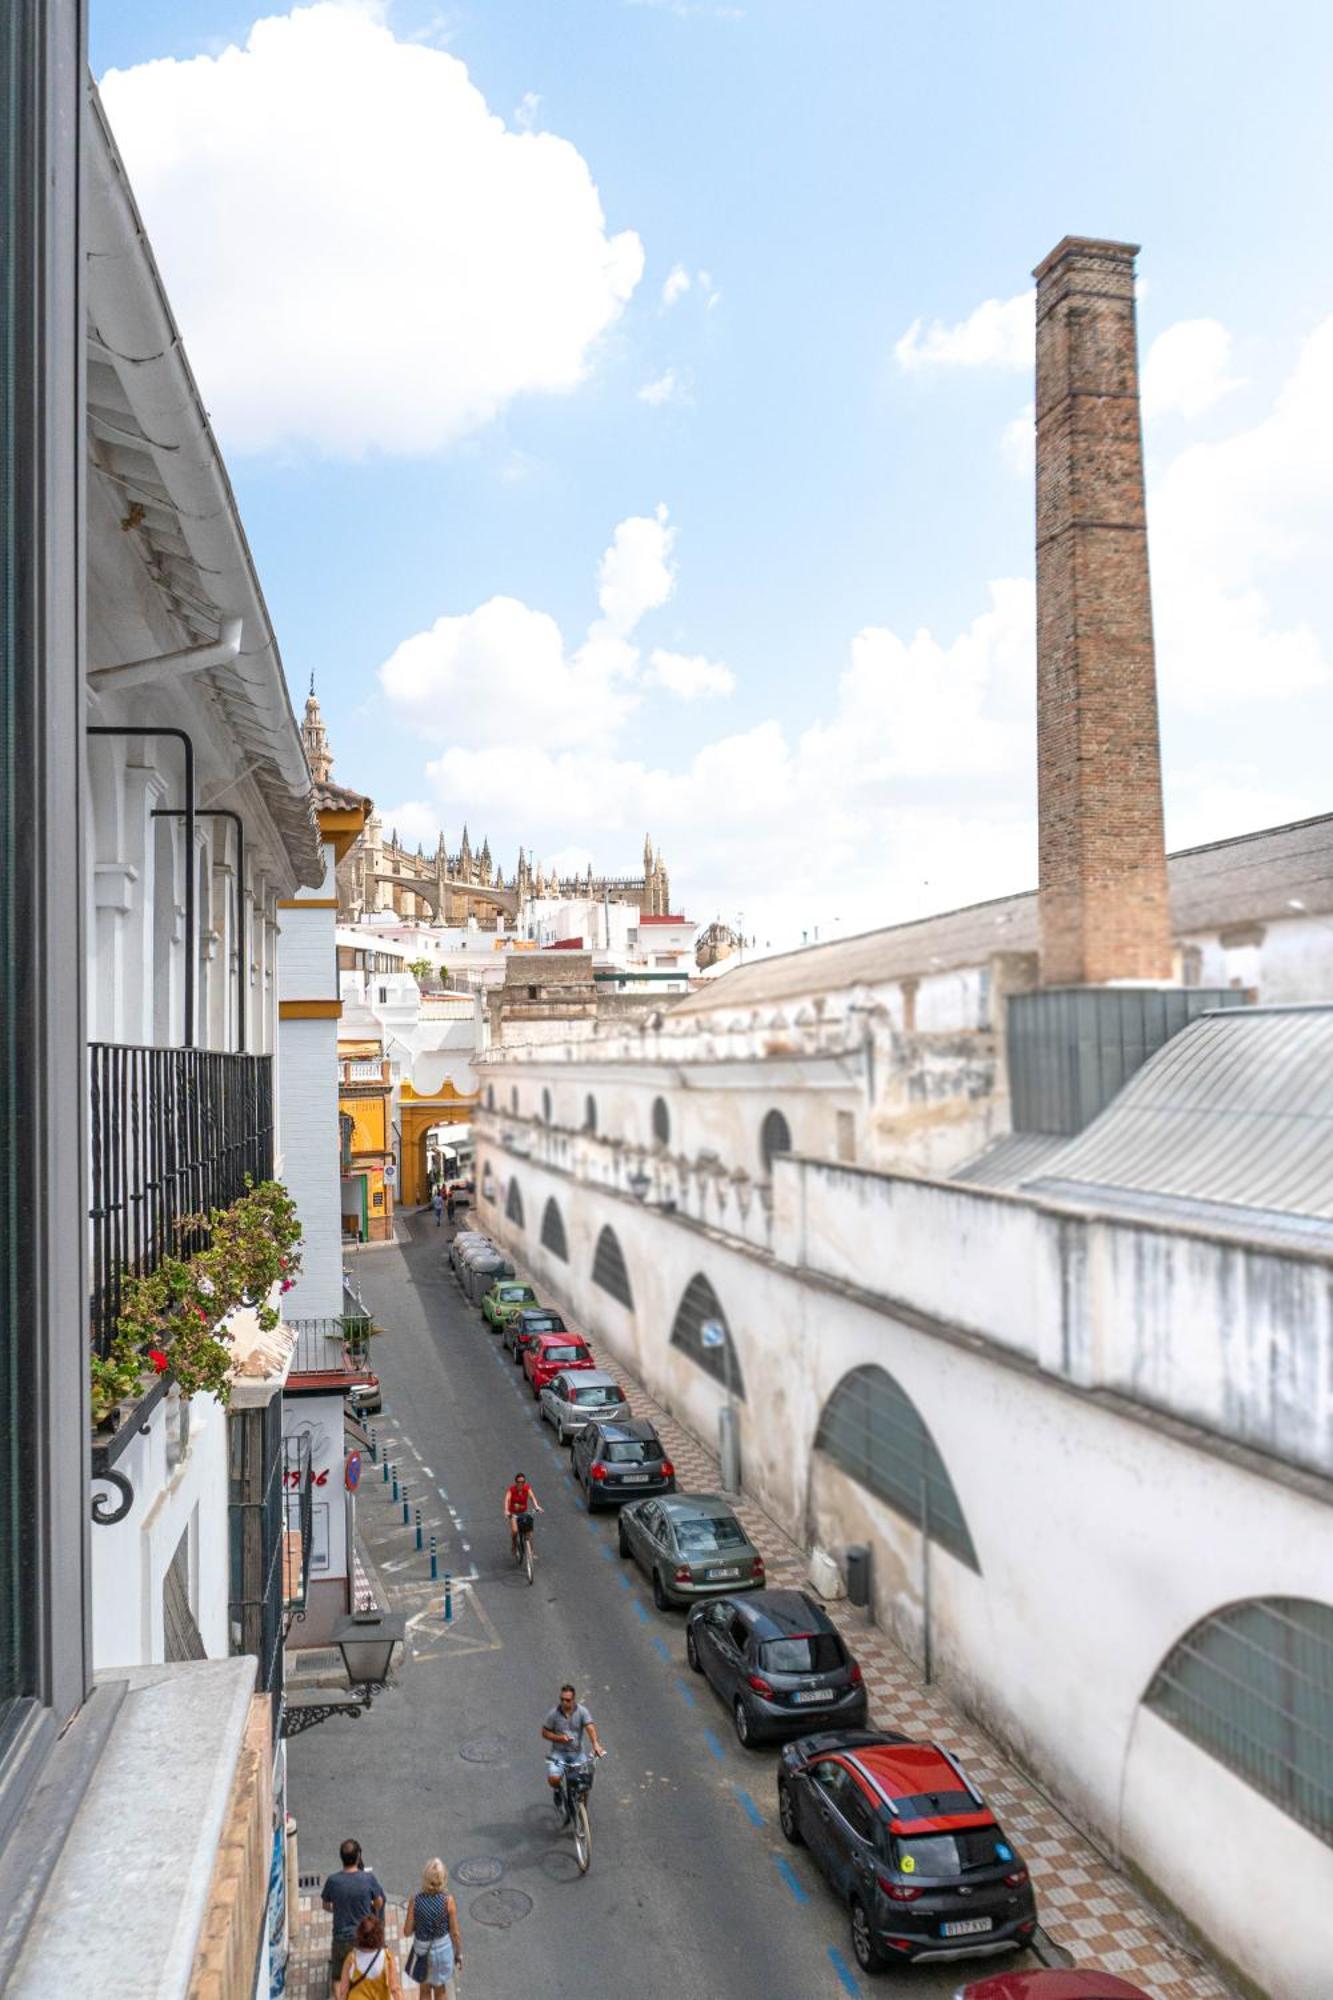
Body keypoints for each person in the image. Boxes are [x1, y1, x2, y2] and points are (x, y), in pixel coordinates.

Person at [322, 1840, 386, 1997]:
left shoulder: (333, 1881)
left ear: (341, 1858)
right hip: (364, 1936)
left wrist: (338, 1909)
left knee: (337, 1978)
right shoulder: (368, 1878)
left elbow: (326, 1905)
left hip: (341, 1938)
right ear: (358, 1857)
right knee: (367, 1973)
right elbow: (379, 1902)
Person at [541, 1681, 606, 1814]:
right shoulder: (553, 1714)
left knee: (584, 1785)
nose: (564, 1702)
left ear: (573, 1699)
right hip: (558, 1753)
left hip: (577, 1753)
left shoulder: (582, 1712)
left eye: (568, 1700)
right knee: (553, 1779)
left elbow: (590, 1727)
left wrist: (595, 1744)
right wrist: (559, 1738)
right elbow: (545, 1732)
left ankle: (583, 1814)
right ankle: (558, 1791)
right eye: (562, 1699)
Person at [404, 1858, 463, 1998]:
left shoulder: (415, 1900)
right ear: (443, 1878)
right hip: (443, 1952)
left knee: (424, 1989)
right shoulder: (448, 1901)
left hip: (422, 1952)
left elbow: (406, 1932)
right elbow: (455, 1933)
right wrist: (458, 1953)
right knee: (440, 1989)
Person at [333, 1913, 400, 2000]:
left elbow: (343, 1990)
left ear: (359, 1935)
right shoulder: (387, 1957)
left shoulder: (352, 1958)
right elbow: (394, 1989)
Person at [504, 1471, 543, 1554]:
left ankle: (531, 1552)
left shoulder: (527, 1488)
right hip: (513, 1514)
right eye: (519, 1482)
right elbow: (507, 1499)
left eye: (523, 1482)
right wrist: (506, 1510)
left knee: (529, 1533)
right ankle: (514, 1546)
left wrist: (536, 1506)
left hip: (523, 1513)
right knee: (515, 1531)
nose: (521, 1484)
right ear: (516, 1482)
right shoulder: (512, 1490)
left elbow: (532, 1497)